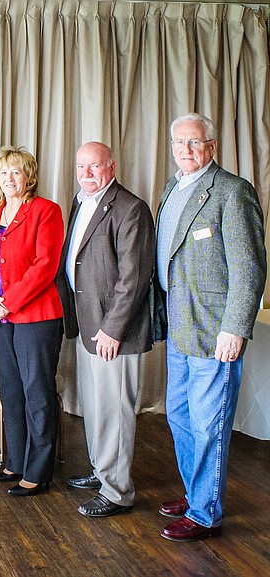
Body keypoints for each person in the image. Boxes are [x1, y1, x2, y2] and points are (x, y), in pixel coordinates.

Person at [155, 113, 266, 541]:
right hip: (179, 327)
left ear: (212, 146)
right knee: (181, 418)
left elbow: (250, 268)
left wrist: (235, 327)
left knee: (209, 423)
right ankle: (196, 490)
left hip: (214, 330)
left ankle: (205, 512)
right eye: (179, 143)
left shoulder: (232, 192)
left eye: (195, 143)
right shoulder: (172, 187)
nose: (186, 150)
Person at [57, 142, 155, 517]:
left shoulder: (131, 209)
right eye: (81, 166)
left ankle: (117, 492)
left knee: (115, 410)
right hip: (87, 324)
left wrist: (113, 329)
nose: (86, 173)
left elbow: (134, 277)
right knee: (97, 408)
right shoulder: (80, 202)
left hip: (114, 332)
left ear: (111, 167)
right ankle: (102, 472)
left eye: (94, 166)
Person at [0, 146, 64, 497]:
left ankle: (38, 470)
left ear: (29, 176)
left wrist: (8, 303)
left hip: (36, 316)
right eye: (3, 173)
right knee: (11, 391)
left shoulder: (46, 211)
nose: (9, 178)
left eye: (16, 172)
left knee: (37, 392)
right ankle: (15, 460)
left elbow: (46, 265)